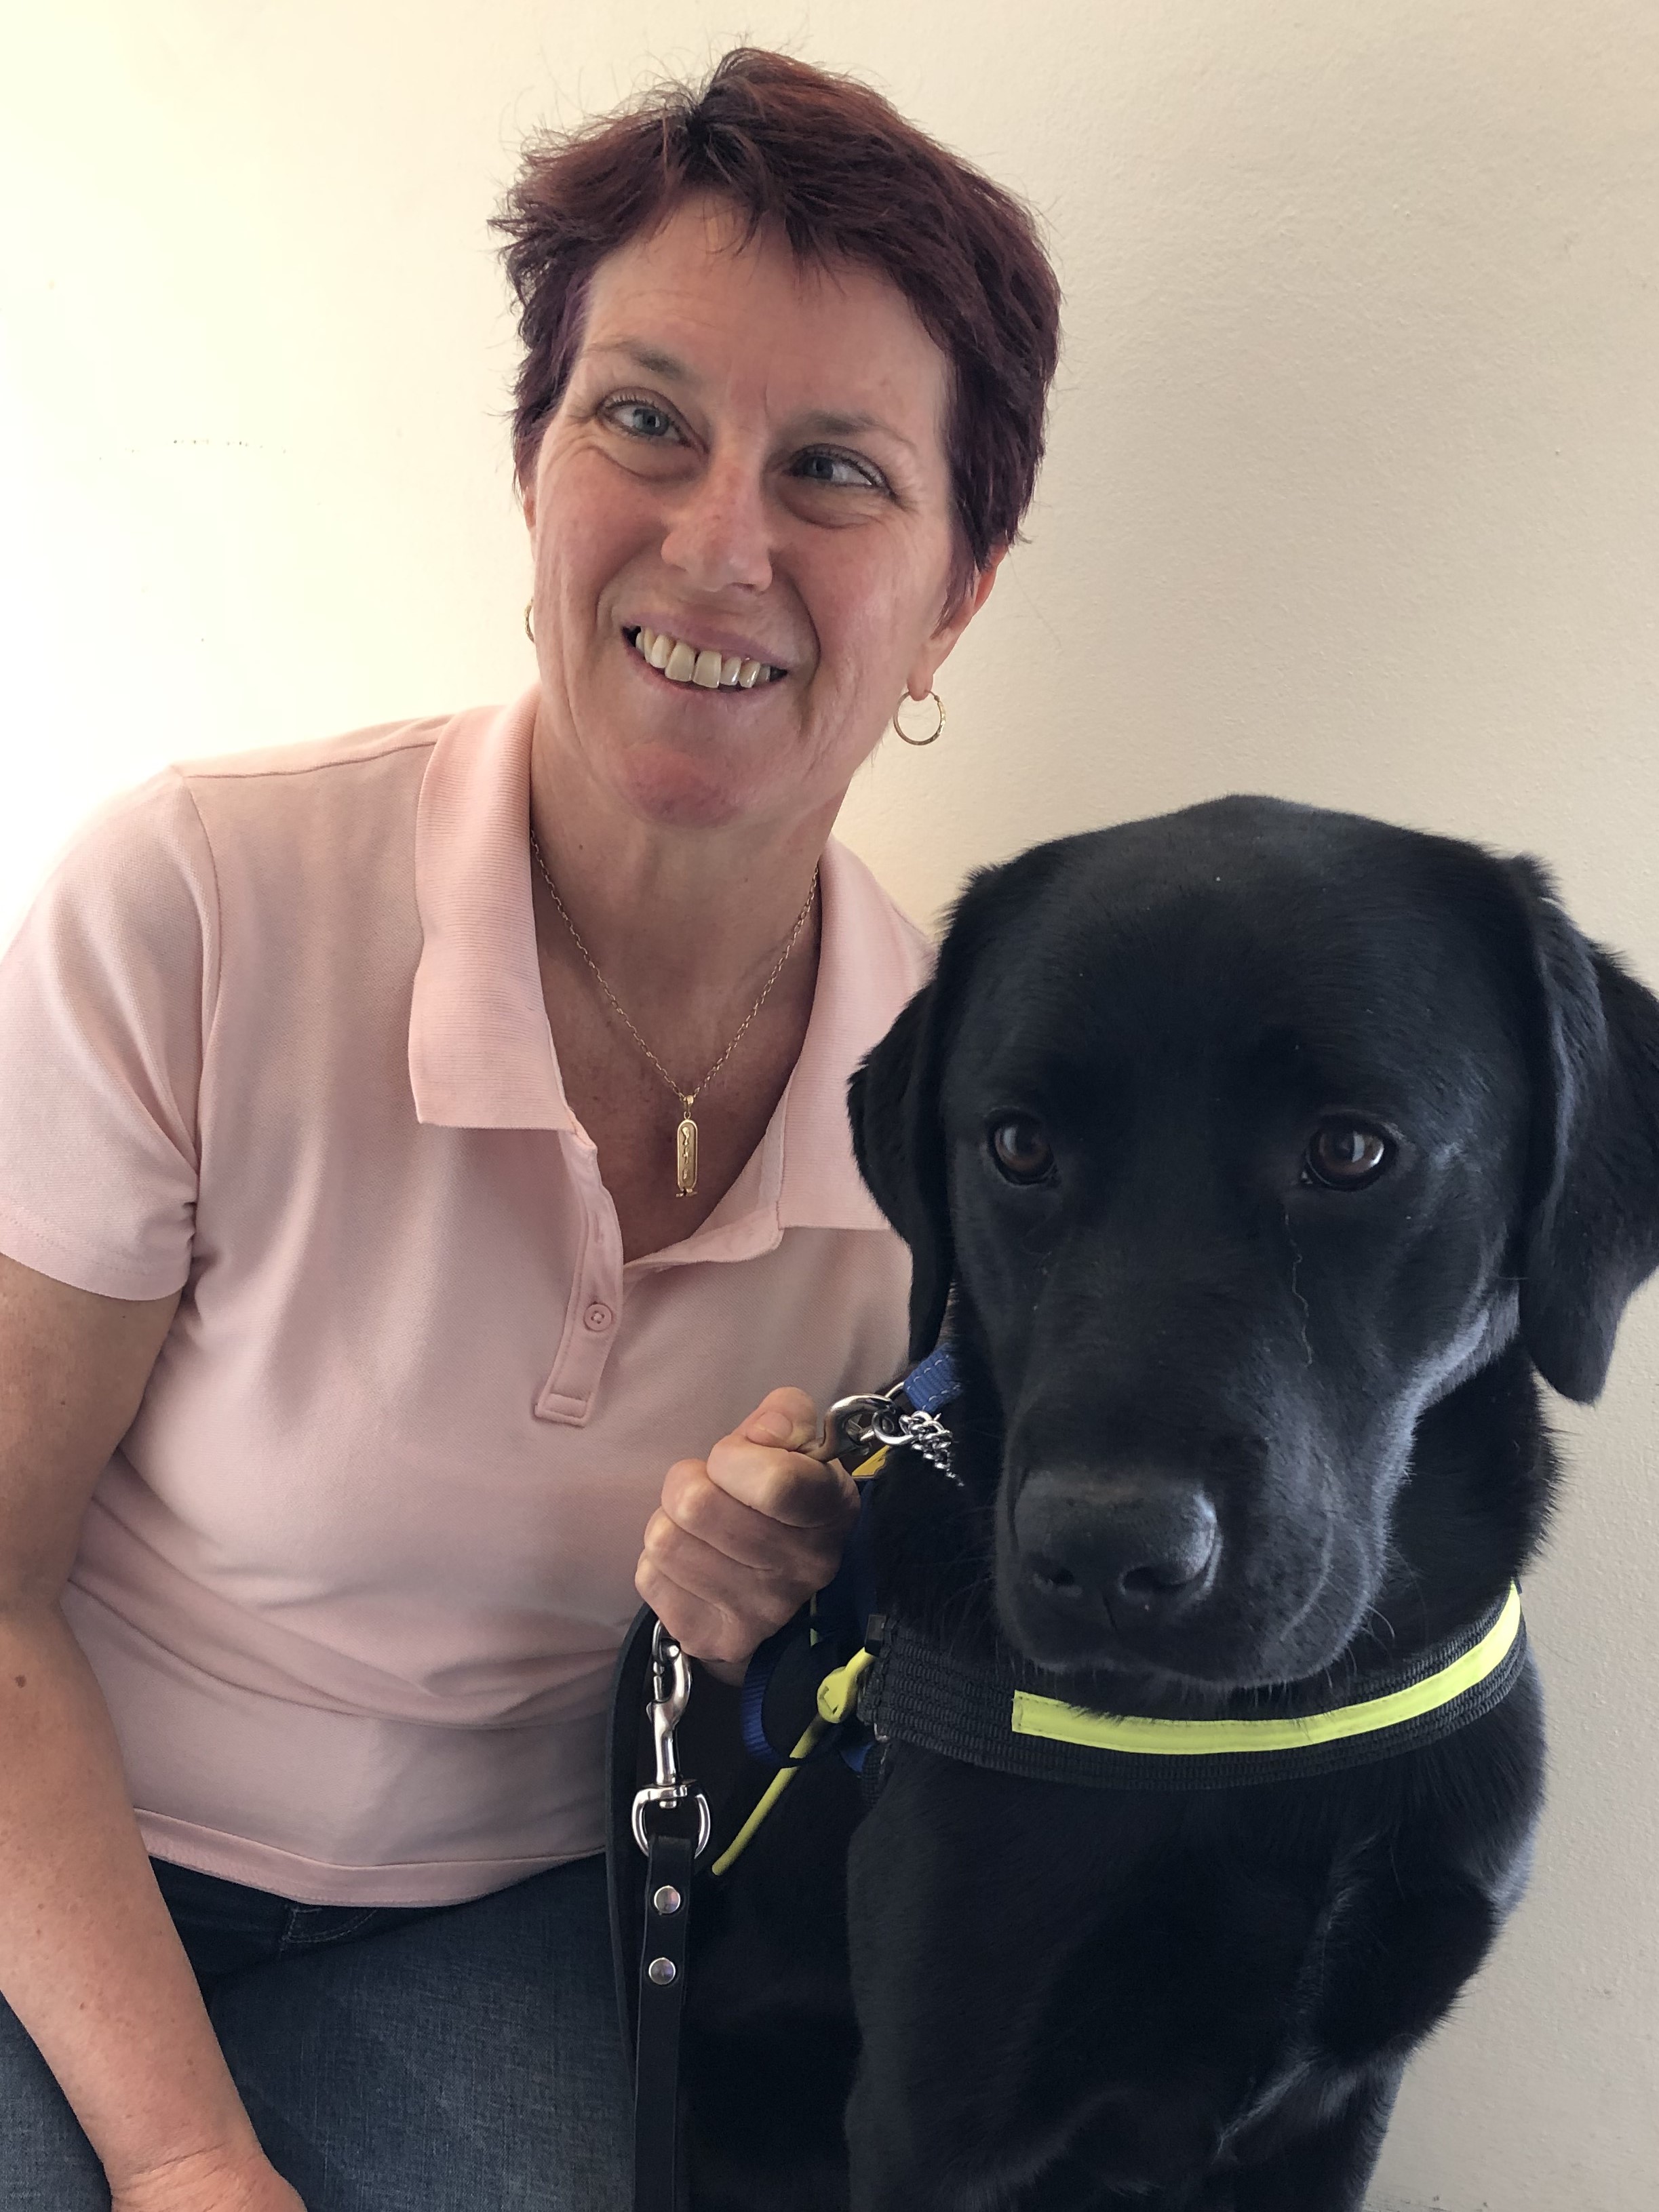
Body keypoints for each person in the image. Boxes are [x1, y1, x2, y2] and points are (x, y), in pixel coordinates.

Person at [0, 47, 1061, 2212]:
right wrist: (189, 2155)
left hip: (518, 1915)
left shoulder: (971, 1099)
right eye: (645, 420)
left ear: (958, 589)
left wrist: (798, 1570)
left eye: (839, 471)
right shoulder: (197, 899)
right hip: (60, 1852)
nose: (719, 542)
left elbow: (923, 1636)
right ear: (533, 467)